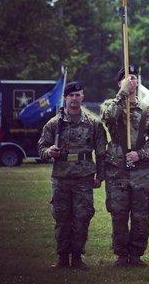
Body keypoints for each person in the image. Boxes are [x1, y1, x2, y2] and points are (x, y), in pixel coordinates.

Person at [38, 81, 107, 269]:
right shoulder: (55, 124)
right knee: (62, 217)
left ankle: (77, 257)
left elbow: (101, 153)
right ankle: (62, 257)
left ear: (82, 97)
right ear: (65, 98)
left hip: (84, 178)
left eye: (78, 95)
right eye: (71, 96)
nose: (75, 99)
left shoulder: (93, 123)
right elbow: (41, 148)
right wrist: (49, 152)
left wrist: (99, 177)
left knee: (82, 217)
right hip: (61, 177)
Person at [100, 66, 149, 267]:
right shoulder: (110, 104)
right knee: (118, 213)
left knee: (141, 214)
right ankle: (120, 254)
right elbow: (108, 117)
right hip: (117, 170)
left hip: (141, 171)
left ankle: (136, 254)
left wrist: (140, 154)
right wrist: (122, 94)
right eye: (126, 78)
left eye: (133, 78)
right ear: (119, 83)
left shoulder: (147, 111)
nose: (131, 81)